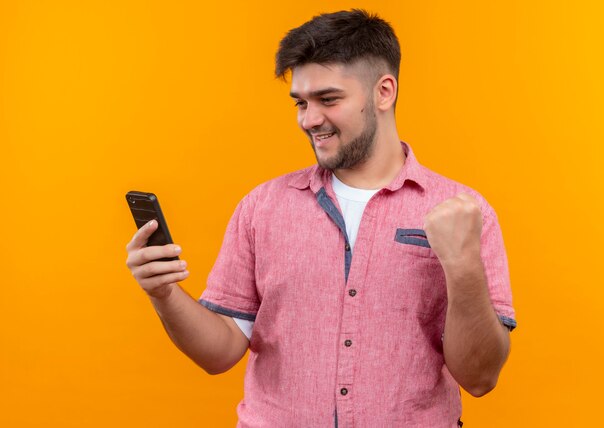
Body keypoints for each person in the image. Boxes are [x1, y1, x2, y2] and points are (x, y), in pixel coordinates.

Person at [125, 9, 516, 427]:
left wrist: (462, 266)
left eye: (328, 100)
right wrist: (164, 295)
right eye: (301, 103)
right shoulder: (262, 207)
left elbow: (479, 377)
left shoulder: (464, 212)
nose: (309, 120)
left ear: (384, 92)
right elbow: (219, 354)